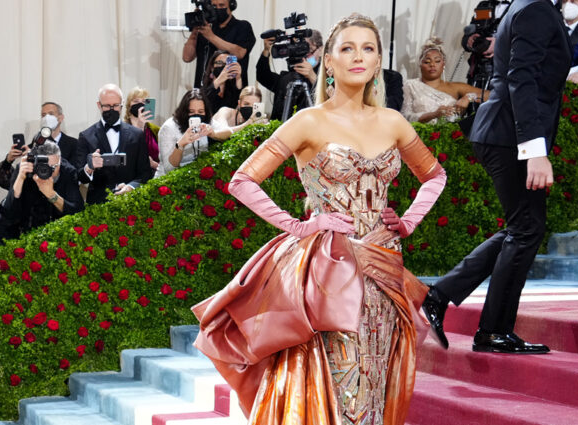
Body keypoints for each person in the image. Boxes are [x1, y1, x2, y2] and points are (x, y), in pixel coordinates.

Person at [191, 14, 447, 423]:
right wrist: (300, 226)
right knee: (342, 385)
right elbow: (242, 181)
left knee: (377, 379)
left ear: (378, 60)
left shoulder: (393, 121)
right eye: (347, 48)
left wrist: (409, 221)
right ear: (328, 60)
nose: (358, 57)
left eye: (367, 48)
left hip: (386, 268)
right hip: (332, 269)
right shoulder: (309, 120)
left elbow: (435, 175)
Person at [424, 0, 570, 355]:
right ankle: (492, 330)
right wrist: (534, 150)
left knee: (522, 226)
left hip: (501, 132)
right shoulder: (535, 9)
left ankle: (440, 296)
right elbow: (521, 78)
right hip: (509, 136)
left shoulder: (526, 6)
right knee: (526, 229)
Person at [77, 84, 153, 205]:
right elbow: (79, 176)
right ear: (99, 105)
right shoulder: (86, 136)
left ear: (122, 104)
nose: (112, 109)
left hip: (131, 203)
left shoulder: (137, 134)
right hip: (98, 205)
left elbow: (145, 173)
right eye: (107, 106)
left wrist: (131, 187)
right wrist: (89, 167)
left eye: (116, 105)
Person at [0, 142, 84, 239]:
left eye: (53, 167)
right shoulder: (26, 168)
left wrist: (52, 195)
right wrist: (20, 178)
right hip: (26, 231)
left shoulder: (68, 171)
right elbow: (8, 211)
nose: (48, 172)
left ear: (60, 161)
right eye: (44, 167)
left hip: (57, 232)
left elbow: (77, 211)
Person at [0, 102, 85, 188]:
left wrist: (39, 157)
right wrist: (8, 161)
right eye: (43, 115)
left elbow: (76, 175)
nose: (47, 118)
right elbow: (8, 183)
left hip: (62, 195)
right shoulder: (33, 147)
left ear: (61, 118)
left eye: (51, 114)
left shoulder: (73, 144)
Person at [401, 38, 487, 123]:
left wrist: (469, 97)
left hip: (451, 131)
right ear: (420, 64)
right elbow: (405, 115)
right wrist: (433, 114)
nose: (432, 65)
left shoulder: (455, 87)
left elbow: (490, 95)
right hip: (418, 130)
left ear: (443, 64)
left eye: (437, 61)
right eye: (427, 62)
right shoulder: (410, 85)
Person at [182, 0, 255, 89]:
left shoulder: (243, 26)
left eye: (221, 5)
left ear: (232, 6)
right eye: (214, 6)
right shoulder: (206, 28)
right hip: (203, 90)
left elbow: (239, 53)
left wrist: (211, 36)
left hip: (231, 91)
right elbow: (187, 57)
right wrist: (194, 31)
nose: (217, 9)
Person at [257, 30, 324, 120]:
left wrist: (313, 77)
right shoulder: (287, 78)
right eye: (299, 50)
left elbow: (330, 95)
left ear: (321, 50)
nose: (304, 57)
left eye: (308, 51)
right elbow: (262, 76)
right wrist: (266, 50)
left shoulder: (328, 75)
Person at [155, 90, 216, 178]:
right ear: (184, 111)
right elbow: (169, 169)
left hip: (195, 177)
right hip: (169, 180)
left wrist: (214, 134)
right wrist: (181, 144)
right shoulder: (169, 127)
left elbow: (229, 131)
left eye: (200, 112)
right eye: (191, 111)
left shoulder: (206, 122)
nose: (196, 115)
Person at [124, 88, 161, 170]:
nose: (140, 104)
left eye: (144, 101)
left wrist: (154, 165)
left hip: (155, 174)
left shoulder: (155, 130)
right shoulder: (122, 130)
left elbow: (165, 161)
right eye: (136, 101)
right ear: (129, 105)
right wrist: (139, 127)